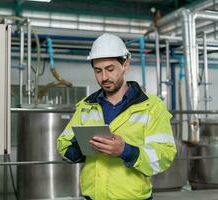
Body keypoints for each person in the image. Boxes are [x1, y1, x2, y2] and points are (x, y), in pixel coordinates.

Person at [57, 33, 177, 200]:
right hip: (93, 197)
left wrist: (125, 151)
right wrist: (84, 147)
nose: (104, 77)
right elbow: (63, 145)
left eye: (110, 69)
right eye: (98, 71)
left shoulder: (151, 106)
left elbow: (164, 155)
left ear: (125, 65)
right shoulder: (86, 106)